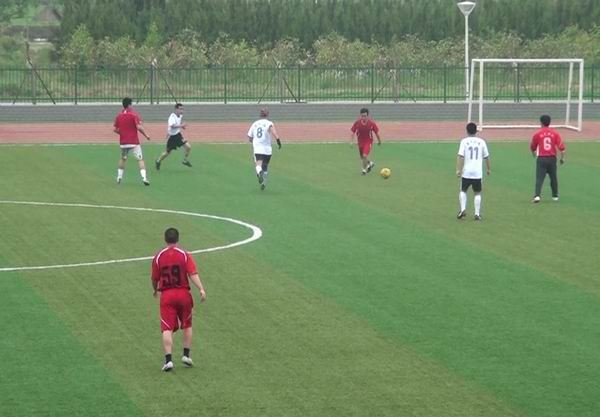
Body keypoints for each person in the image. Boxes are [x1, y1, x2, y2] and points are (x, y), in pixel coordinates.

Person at [151, 227, 206, 372]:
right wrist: (201, 288)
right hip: (183, 294)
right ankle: (186, 355)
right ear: (178, 239)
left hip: (167, 296)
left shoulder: (159, 257)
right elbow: (192, 273)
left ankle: (168, 360)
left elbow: (154, 278)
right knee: (187, 324)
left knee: (167, 328)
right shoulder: (184, 254)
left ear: (165, 239)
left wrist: (155, 289)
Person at [456, 122, 490, 221]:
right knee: (477, 193)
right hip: (477, 172)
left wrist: (458, 169)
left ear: (467, 131)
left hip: (466, 172)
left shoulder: (464, 141)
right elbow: (487, 157)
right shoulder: (482, 142)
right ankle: (477, 214)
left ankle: (463, 209)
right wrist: (488, 169)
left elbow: (460, 156)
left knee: (463, 190)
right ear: (476, 131)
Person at [113, 97, 151, 185]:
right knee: (140, 159)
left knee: (123, 159)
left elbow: (115, 129)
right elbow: (139, 127)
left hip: (123, 142)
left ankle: (119, 177)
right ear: (129, 105)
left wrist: (122, 134)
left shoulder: (119, 116)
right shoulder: (133, 115)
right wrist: (146, 135)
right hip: (134, 142)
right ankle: (144, 178)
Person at [530, 114, 566, 203]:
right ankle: (555, 196)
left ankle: (537, 196)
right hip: (552, 158)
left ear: (541, 123)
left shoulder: (538, 134)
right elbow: (562, 148)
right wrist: (562, 158)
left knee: (539, 178)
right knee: (553, 177)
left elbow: (533, 146)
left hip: (542, 158)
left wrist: (534, 153)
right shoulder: (555, 133)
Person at [247, 107, 282, 190]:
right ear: (267, 114)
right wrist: (278, 140)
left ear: (260, 114)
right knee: (265, 166)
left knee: (258, 165)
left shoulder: (255, 124)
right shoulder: (269, 123)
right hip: (268, 149)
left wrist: (252, 141)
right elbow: (273, 132)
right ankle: (264, 182)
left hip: (258, 148)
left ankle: (259, 173)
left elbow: (250, 137)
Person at [155, 103, 192, 170]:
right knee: (167, 153)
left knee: (188, 147)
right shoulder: (172, 117)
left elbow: (178, 123)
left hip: (178, 135)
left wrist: (182, 126)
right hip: (172, 137)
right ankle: (158, 161)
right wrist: (181, 125)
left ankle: (185, 160)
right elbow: (172, 125)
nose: (182, 110)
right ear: (176, 109)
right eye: (180, 109)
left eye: (182, 109)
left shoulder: (180, 116)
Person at [350, 108, 382, 175]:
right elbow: (353, 132)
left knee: (364, 156)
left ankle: (364, 170)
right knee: (362, 157)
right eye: (362, 116)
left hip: (368, 141)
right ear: (360, 116)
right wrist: (351, 141)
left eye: (365, 116)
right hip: (360, 142)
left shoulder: (371, 123)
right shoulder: (357, 123)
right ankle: (370, 163)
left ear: (368, 116)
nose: (363, 118)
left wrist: (379, 141)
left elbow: (376, 133)